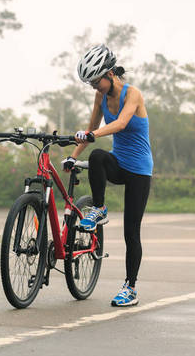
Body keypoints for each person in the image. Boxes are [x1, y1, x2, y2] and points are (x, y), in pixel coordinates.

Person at [61, 44, 153, 307]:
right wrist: (73, 155)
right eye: (89, 83)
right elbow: (92, 128)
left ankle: (130, 288)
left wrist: (92, 134)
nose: (93, 87)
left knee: (131, 232)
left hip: (139, 171)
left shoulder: (132, 94)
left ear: (110, 73)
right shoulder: (100, 97)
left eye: (95, 81)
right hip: (118, 164)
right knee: (98, 156)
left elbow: (120, 123)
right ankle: (99, 208)